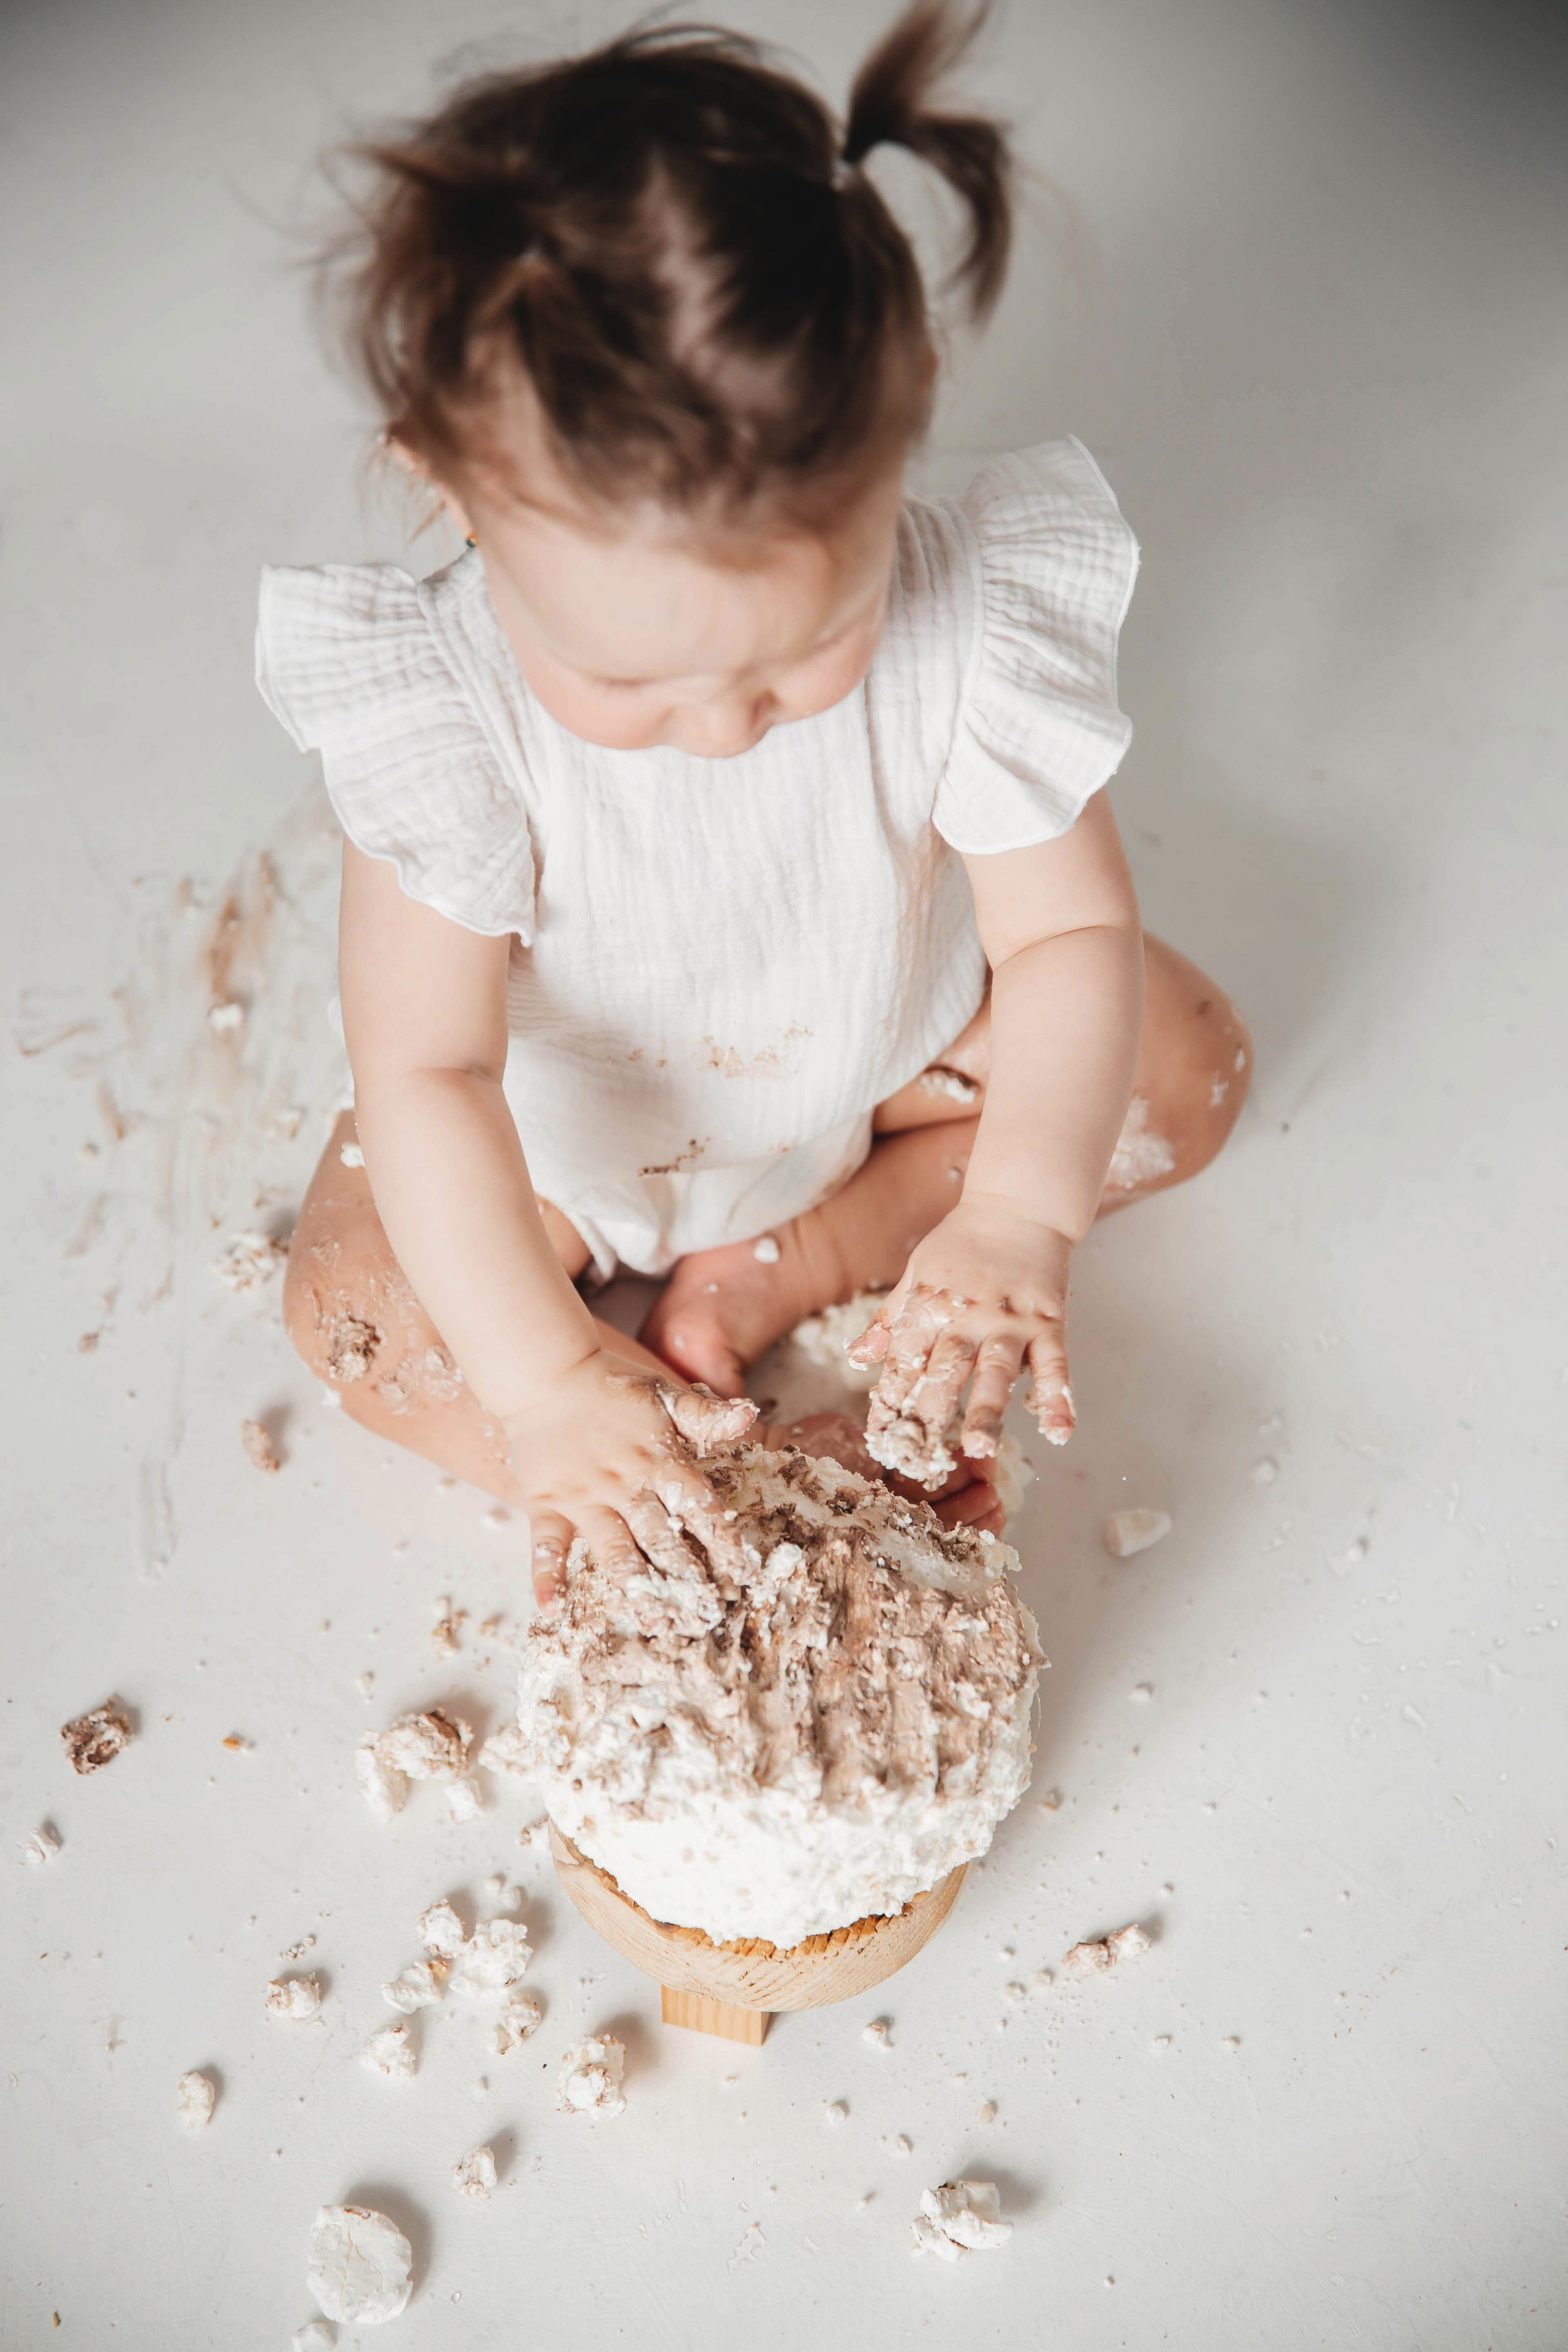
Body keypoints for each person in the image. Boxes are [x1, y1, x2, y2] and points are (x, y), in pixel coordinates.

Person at [259, 3, 1250, 1608]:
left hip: (869, 1063)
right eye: (633, 687)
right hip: (561, 1156)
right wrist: (544, 1387)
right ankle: (704, 1456)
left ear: (904, 421)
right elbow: (431, 1071)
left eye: (805, 655)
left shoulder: (971, 618)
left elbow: (1066, 932)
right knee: (359, 1315)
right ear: (444, 485)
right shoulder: (448, 719)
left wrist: (1016, 1216)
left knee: (1186, 1063)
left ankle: (822, 1248)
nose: (724, 730)